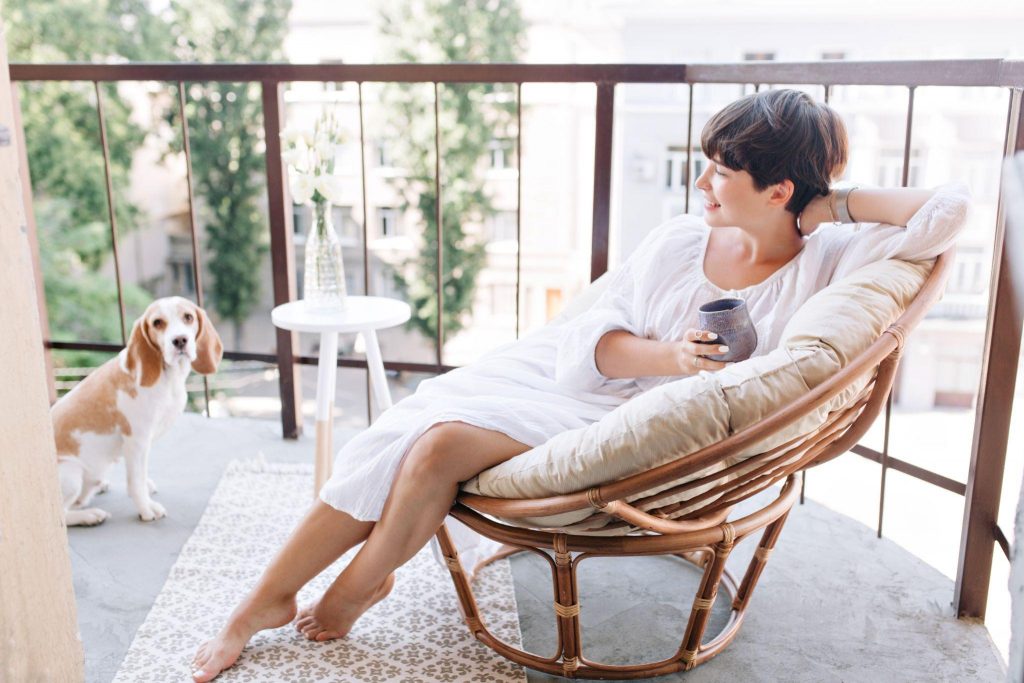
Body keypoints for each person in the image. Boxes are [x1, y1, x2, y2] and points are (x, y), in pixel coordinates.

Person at [191, 88, 970, 681]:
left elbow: (948, 212)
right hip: (584, 374)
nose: (702, 180)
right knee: (401, 430)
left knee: (436, 447)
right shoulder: (680, 240)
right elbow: (596, 338)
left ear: (778, 191)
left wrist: (827, 203)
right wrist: (672, 355)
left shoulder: (830, 259)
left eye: (723, 170)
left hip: (642, 420)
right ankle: (266, 597)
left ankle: (357, 586)